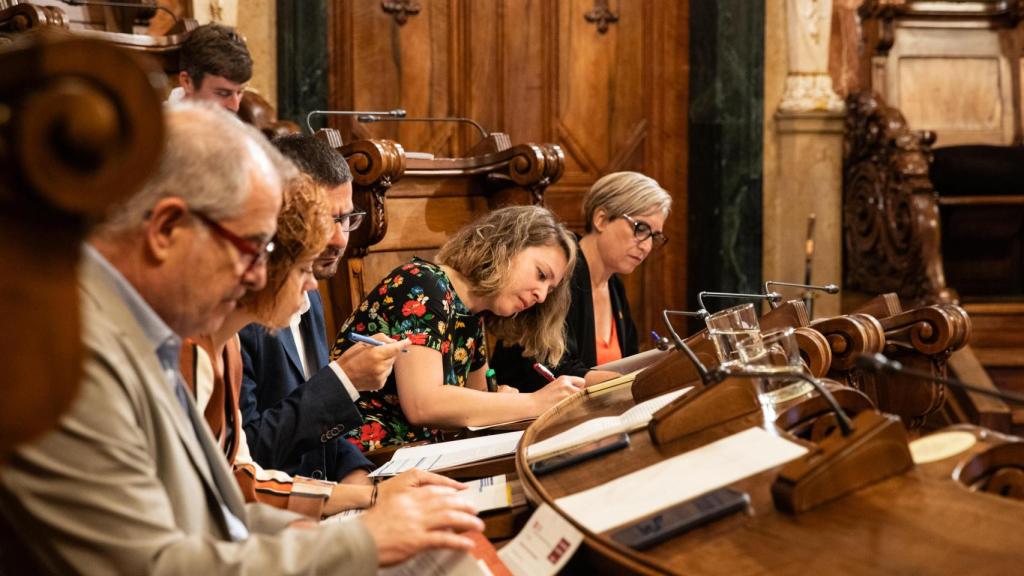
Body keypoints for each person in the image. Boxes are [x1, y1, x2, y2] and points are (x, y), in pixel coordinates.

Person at [0, 102, 482, 574]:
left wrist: (350, 519)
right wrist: (362, 541)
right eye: (254, 248)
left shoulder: (154, 332)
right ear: (167, 228)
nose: (259, 277)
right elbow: (151, 564)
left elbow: (222, 509)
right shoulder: (69, 352)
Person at [184, 172, 448, 518]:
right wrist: (344, 381)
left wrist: (365, 492)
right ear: (260, 266)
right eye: (303, 268)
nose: (311, 286)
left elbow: (244, 475)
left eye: (346, 220)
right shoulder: (196, 344)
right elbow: (231, 489)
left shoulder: (229, 342)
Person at [330, 205, 585, 452]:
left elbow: (478, 400)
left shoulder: (471, 314)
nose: (541, 296)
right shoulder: (422, 283)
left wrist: (502, 398)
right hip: (358, 456)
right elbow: (423, 404)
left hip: (411, 455)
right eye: (541, 274)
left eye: (550, 289)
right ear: (506, 246)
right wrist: (532, 402)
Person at [239, 134, 408, 482]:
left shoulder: (311, 290)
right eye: (324, 219)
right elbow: (248, 450)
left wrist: (361, 478)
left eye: (345, 218)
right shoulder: (239, 313)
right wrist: (344, 381)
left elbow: (320, 432)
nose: (340, 238)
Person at [490, 172, 672, 391]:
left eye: (654, 236)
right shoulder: (559, 274)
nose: (646, 246)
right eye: (640, 229)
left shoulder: (614, 285)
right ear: (601, 219)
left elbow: (629, 360)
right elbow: (539, 369)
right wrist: (625, 382)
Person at [174, 23, 252, 112]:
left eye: (239, 92)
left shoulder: (238, 124)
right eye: (223, 93)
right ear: (187, 82)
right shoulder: (159, 124)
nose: (235, 106)